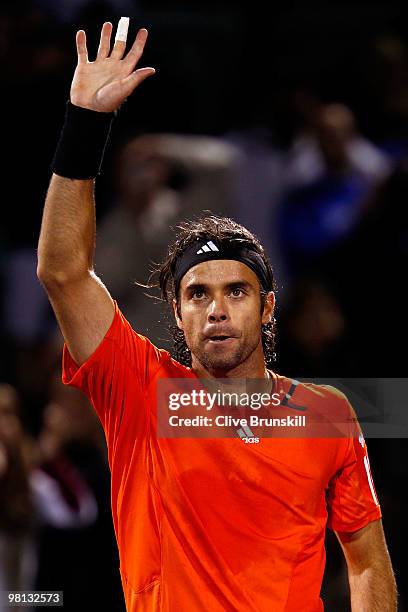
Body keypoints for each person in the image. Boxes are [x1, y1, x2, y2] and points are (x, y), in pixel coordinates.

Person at [36, 19, 397, 611]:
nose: (217, 309)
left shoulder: (329, 413)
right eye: (197, 295)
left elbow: (366, 562)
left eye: (237, 291)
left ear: (267, 306)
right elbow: (62, 271)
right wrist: (86, 122)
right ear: (177, 316)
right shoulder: (138, 389)